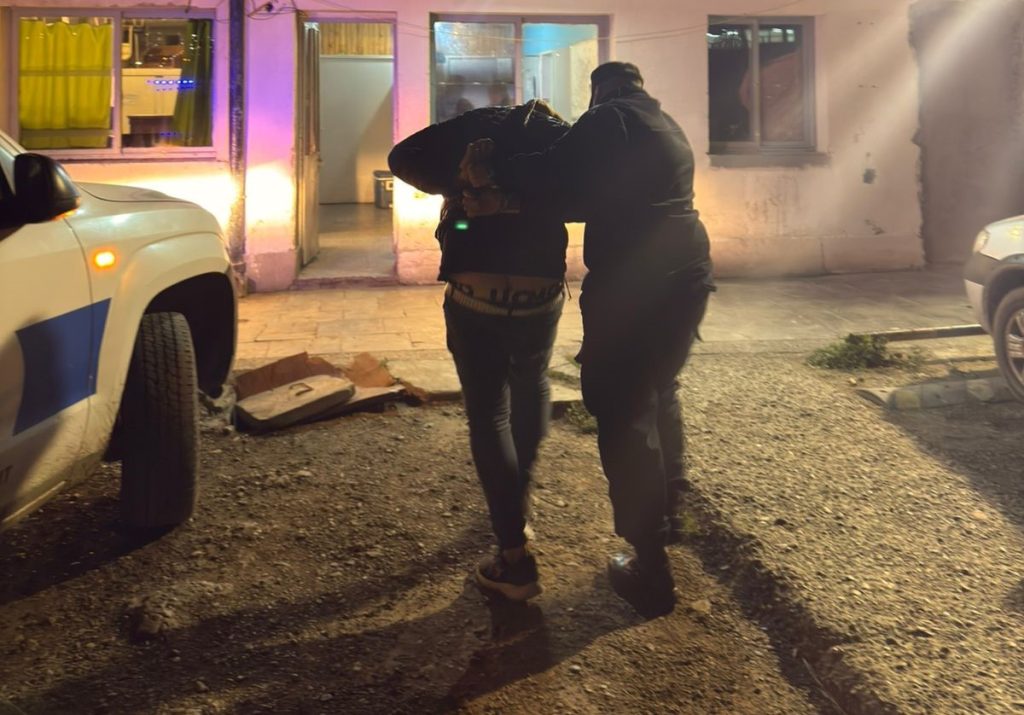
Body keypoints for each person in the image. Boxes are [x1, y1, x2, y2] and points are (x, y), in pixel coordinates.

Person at [461, 62, 715, 617]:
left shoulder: (609, 119)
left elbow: (554, 169)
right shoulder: (663, 124)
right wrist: (511, 202)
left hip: (637, 286)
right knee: (659, 390)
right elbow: (585, 195)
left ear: (599, 89)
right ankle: (670, 510)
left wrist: (492, 168)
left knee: (622, 409)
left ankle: (650, 564)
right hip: (690, 276)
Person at [387, 101, 571, 601]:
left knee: (489, 415)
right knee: (532, 385)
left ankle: (514, 555)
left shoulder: (468, 127)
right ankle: (517, 502)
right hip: (538, 295)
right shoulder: (554, 133)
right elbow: (587, 194)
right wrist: (519, 196)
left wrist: (464, 184)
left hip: (476, 294)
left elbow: (401, 158)